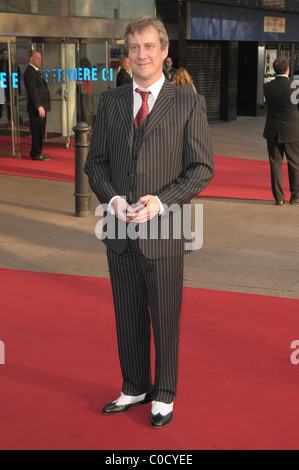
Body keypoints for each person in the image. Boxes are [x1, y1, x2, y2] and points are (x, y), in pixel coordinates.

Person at [84, 15, 214, 428]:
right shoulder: (111, 102)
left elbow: (201, 168)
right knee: (127, 312)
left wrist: (162, 201)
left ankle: (164, 392)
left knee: (164, 314)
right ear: (127, 57)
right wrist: (114, 199)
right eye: (133, 48)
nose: (140, 55)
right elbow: (95, 163)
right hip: (118, 230)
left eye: (148, 47)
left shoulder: (188, 103)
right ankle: (134, 385)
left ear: (164, 54)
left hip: (166, 230)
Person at [263, 56, 299, 205]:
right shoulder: (294, 87)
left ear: (274, 69)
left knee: (275, 164)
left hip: (273, 130)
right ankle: (295, 197)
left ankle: (279, 198)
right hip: (292, 130)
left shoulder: (268, 86)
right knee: (295, 163)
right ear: (288, 69)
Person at [23, 51, 51, 161]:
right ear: (31, 59)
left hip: (41, 108)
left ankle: (38, 151)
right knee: (36, 132)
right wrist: (39, 106)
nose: (40, 60)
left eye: (41, 58)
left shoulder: (36, 72)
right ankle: (35, 153)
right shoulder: (30, 72)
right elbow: (32, 91)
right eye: (38, 58)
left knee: (40, 131)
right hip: (36, 109)